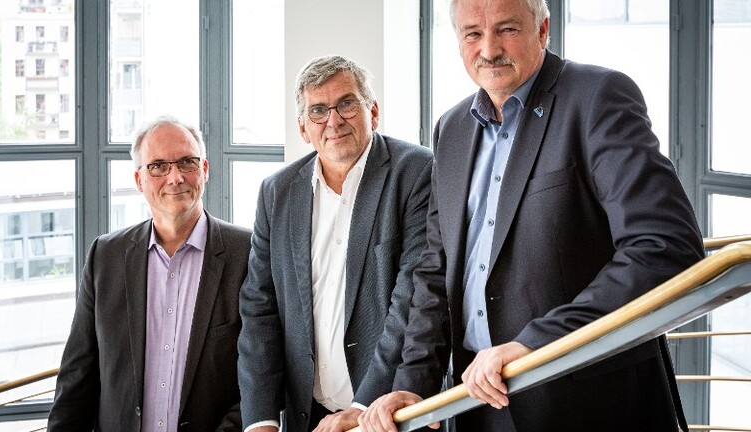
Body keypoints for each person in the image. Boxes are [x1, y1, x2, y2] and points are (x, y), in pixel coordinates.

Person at [358, 0, 705, 431]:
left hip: (589, 403)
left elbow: (665, 247)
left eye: (507, 29)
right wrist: (414, 384)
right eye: (472, 34)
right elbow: (435, 272)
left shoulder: (598, 97)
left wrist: (536, 344)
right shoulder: (452, 128)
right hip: (476, 404)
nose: (489, 50)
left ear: (542, 30)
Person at [237, 55, 434, 432]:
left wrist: (365, 406)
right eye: (318, 110)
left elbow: (413, 300)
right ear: (302, 128)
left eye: (347, 103)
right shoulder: (276, 192)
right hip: (308, 416)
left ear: (373, 111)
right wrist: (261, 420)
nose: (334, 120)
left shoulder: (417, 173)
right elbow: (259, 310)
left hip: (389, 413)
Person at [47, 116, 251, 432]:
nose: (175, 177)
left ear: (205, 169)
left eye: (187, 162)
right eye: (158, 166)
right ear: (139, 180)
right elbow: (77, 377)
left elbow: (262, 373)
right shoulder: (106, 256)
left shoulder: (247, 254)